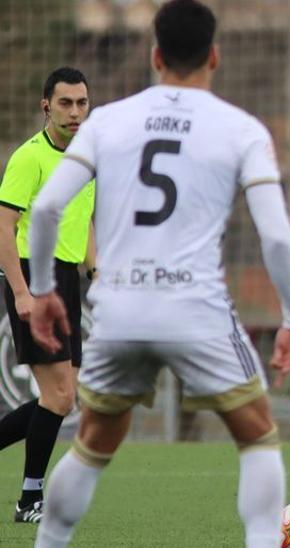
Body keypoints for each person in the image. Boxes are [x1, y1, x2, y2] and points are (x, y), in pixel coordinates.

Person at [26, 1, 290, 546]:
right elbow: (275, 234)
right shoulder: (242, 129)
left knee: (92, 443)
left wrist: (42, 291)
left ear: (156, 56)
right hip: (195, 311)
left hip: (119, 310)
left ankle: (49, 542)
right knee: (258, 437)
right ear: (215, 56)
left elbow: (44, 210)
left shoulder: (106, 121)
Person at [0, 66, 95, 523]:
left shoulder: (86, 158)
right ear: (46, 106)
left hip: (67, 280)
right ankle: (30, 500)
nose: (74, 112)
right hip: (35, 280)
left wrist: (97, 271)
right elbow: (4, 227)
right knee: (58, 396)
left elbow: (86, 217)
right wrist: (20, 291)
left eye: (81, 103)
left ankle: (30, 497)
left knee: (61, 396)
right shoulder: (29, 158)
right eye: (65, 103)